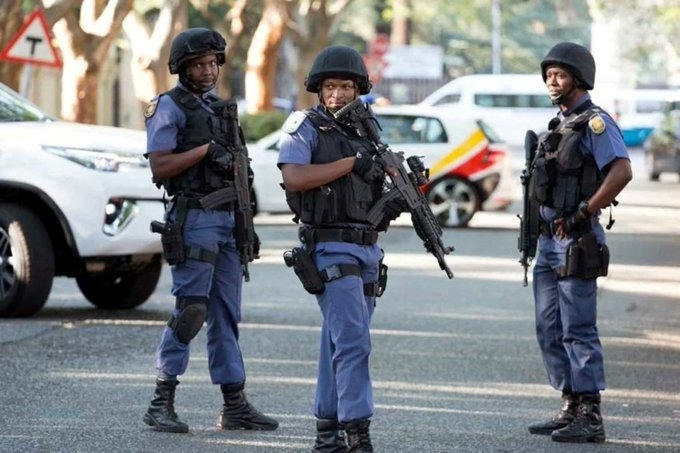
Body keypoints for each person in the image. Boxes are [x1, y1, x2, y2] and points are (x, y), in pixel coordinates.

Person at [141, 27, 278, 434]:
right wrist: (203, 151)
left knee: (226, 315)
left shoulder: (222, 110)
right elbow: (160, 165)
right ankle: (160, 401)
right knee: (191, 311)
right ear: (182, 68)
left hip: (228, 221)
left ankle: (234, 404)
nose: (208, 71)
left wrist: (246, 224)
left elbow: (239, 171)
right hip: (195, 218)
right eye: (199, 65)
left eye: (213, 63)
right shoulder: (168, 107)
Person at [277, 45, 406, 452]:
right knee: (353, 342)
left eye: (346, 87)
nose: (337, 94)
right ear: (318, 88)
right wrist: (351, 162)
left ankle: (327, 432)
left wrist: (399, 193)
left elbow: (373, 188)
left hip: (367, 250)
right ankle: (357, 433)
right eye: (330, 86)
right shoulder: (304, 126)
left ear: (358, 89)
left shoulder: (367, 130)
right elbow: (295, 177)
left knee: (339, 340)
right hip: (331, 247)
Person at [526, 42, 633, 443]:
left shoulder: (595, 123)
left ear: (579, 78)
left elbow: (621, 171)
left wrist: (584, 212)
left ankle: (591, 413)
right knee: (548, 326)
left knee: (578, 328)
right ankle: (570, 404)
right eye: (548, 75)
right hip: (548, 241)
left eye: (560, 75)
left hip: (576, 239)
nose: (552, 82)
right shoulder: (558, 125)